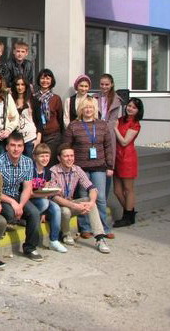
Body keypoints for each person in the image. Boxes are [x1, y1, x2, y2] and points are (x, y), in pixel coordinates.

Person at [62, 96, 114, 238]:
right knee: (84, 197)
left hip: (99, 166)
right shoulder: (74, 126)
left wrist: (110, 165)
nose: (88, 110)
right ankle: (85, 227)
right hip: (80, 167)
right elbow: (66, 146)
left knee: (100, 197)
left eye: (91, 107)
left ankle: (104, 228)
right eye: (85, 107)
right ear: (81, 109)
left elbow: (108, 146)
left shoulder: (102, 125)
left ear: (95, 109)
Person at [49, 144, 111, 254]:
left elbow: (92, 188)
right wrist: (75, 206)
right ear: (59, 158)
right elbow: (55, 197)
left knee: (90, 202)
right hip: (57, 207)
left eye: (71, 156)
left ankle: (100, 238)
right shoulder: (53, 171)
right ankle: (66, 234)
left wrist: (91, 202)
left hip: (70, 202)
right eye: (66, 156)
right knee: (65, 211)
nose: (70, 159)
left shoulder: (77, 169)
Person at [0, 132, 44, 262]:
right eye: (13, 145)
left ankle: (30, 248)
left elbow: (27, 188)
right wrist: (12, 203)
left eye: (19, 146)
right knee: (10, 213)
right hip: (0, 197)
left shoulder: (27, 162)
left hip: (17, 195)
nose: (16, 149)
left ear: (23, 147)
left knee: (34, 213)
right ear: (7, 147)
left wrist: (20, 205)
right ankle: (9, 221)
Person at [113, 98, 144, 227]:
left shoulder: (135, 124)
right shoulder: (120, 119)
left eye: (134, 107)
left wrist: (115, 129)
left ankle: (127, 216)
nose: (130, 108)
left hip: (127, 158)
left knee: (128, 189)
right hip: (116, 157)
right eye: (129, 106)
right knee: (117, 190)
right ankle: (130, 213)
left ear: (138, 111)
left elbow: (124, 142)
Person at [29, 144, 66, 253]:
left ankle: (54, 240)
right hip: (29, 200)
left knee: (56, 208)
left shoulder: (48, 172)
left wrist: (53, 192)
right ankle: (28, 219)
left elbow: (45, 191)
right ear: (35, 157)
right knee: (45, 202)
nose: (45, 159)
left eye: (47, 156)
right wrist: (42, 198)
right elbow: (28, 193)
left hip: (41, 199)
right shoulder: (30, 170)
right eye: (42, 156)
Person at [95, 73, 123, 207]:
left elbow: (114, 120)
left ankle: (103, 201)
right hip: (96, 132)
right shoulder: (95, 97)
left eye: (107, 84)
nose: (104, 87)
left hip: (109, 133)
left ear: (111, 84)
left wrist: (105, 127)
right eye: (102, 84)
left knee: (108, 166)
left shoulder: (117, 100)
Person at [32, 68, 64, 167]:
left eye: (48, 78)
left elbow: (60, 118)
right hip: (36, 135)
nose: (45, 81)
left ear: (51, 80)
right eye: (42, 78)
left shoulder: (56, 98)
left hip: (53, 136)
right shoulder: (33, 97)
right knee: (37, 163)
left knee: (50, 163)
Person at [11, 75, 40, 157]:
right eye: (18, 84)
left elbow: (39, 121)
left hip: (30, 138)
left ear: (26, 86)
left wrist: (38, 139)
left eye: (22, 84)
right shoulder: (10, 100)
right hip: (15, 139)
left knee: (30, 162)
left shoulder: (33, 100)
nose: (20, 87)